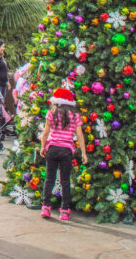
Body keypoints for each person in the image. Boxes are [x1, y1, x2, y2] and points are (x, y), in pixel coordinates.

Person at [39, 88, 87, 221]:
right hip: (66, 150)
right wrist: (83, 152)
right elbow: (79, 135)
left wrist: (43, 146)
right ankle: (65, 210)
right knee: (65, 181)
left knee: (49, 179)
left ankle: (46, 207)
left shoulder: (51, 114)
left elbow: (46, 133)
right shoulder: (75, 116)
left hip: (52, 148)